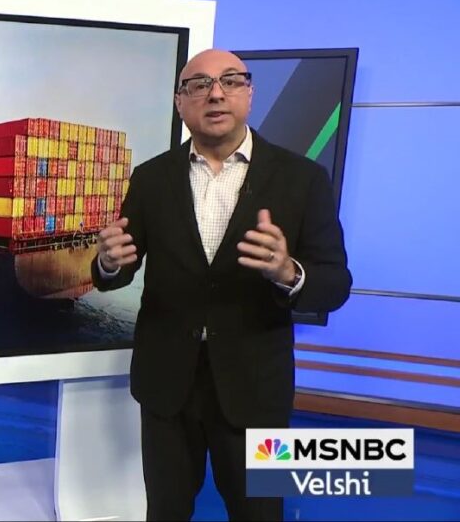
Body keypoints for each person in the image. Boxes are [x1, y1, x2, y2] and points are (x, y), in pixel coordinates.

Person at [92, 49, 352, 521]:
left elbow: (334, 284)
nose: (215, 93)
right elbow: (118, 270)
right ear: (180, 103)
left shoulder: (303, 179)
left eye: (231, 81)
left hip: (257, 389)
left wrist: (287, 272)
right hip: (167, 384)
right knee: (165, 512)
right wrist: (108, 263)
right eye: (198, 85)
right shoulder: (151, 178)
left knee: (259, 513)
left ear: (249, 94)